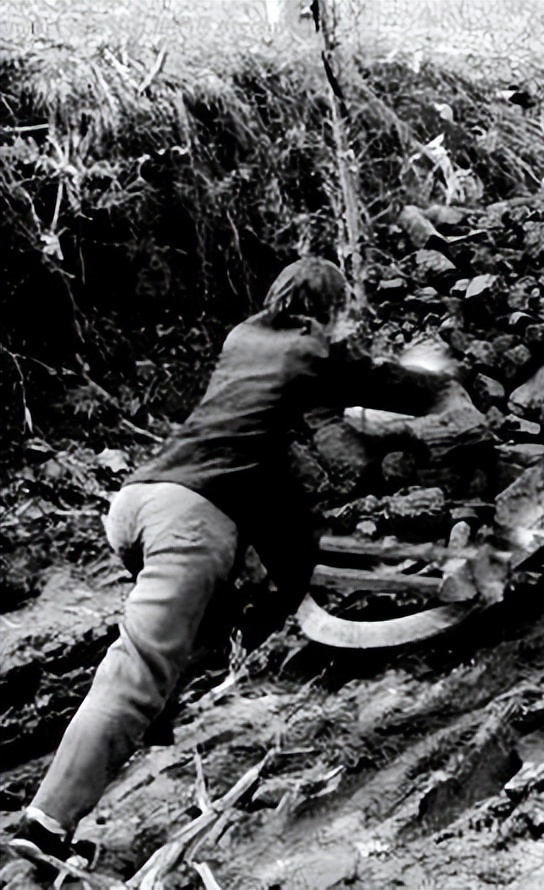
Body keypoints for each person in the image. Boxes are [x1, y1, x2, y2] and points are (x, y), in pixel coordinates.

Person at [8, 258, 454, 870]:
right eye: (338, 312)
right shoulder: (309, 351)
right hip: (188, 522)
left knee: (193, 629)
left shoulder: (243, 338)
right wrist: (445, 379)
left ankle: (153, 712)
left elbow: (278, 476)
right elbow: (384, 382)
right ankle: (47, 823)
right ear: (325, 311)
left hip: (137, 501)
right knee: (136, 671)